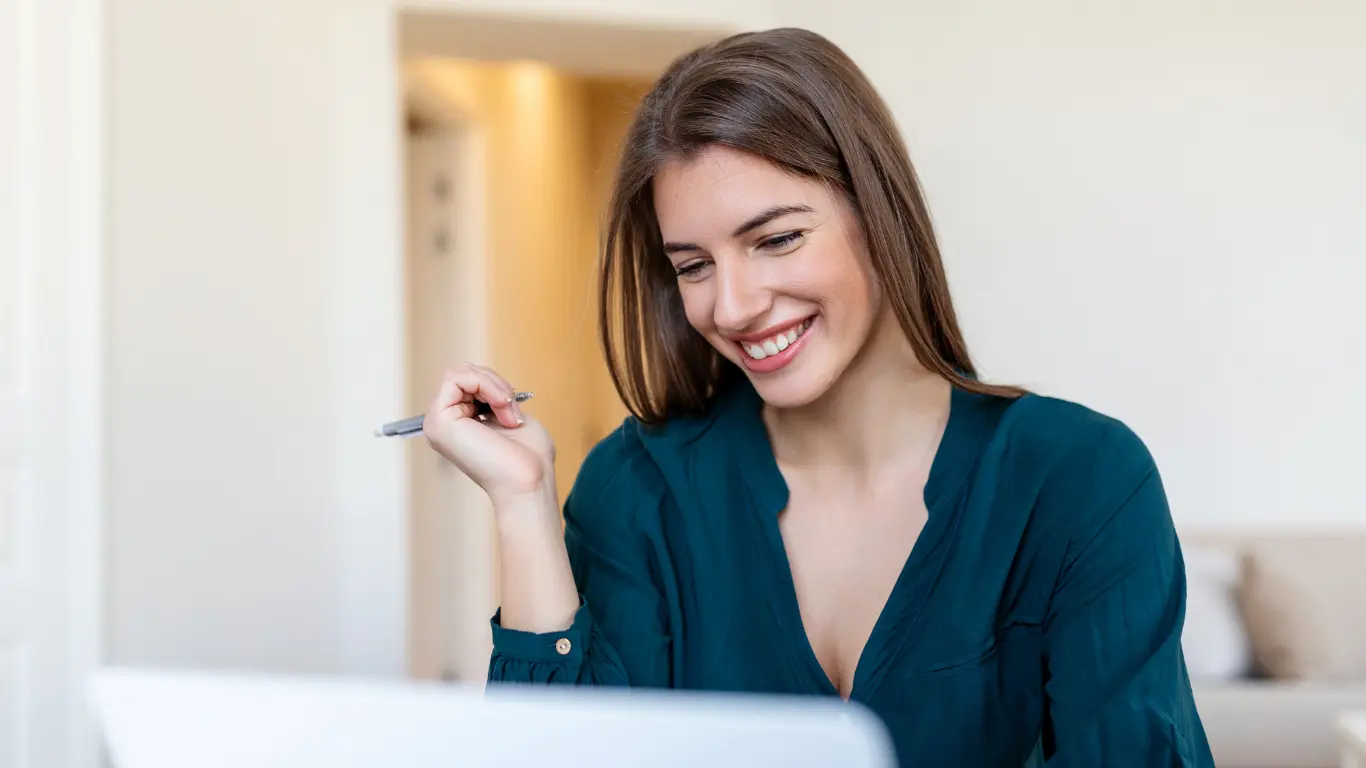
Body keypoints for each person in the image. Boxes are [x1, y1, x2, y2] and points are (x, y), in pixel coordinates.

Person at [421, 27, 1214, 768]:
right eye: (693, 265)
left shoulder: (1078, 479)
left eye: (776, 239)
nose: (730, 307)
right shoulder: (635, 491)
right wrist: (522, 505)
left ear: (878, 212)